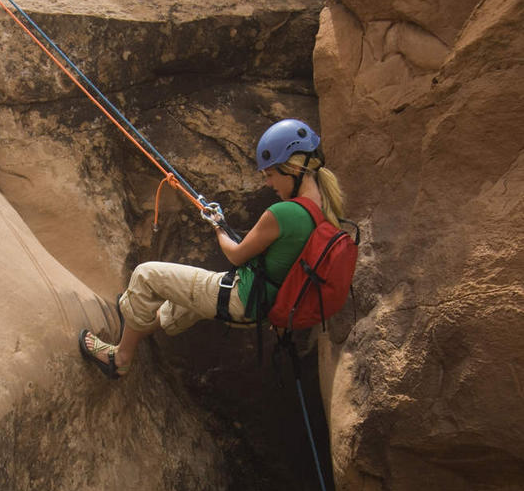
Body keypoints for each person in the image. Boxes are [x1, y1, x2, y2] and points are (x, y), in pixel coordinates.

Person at [78, 118, 345, 378]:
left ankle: (120, 359)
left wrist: (217, 226)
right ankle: (139, 318)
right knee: (187, 300)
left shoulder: (285, 212)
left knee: (146, 275)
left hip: (242, 298)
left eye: (271, 174)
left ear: (293, 169)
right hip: (264, 306)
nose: (268, 183)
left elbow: (236, 254)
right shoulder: (325, 211)